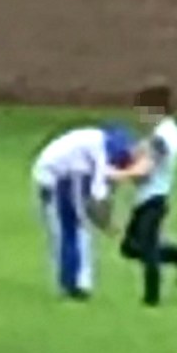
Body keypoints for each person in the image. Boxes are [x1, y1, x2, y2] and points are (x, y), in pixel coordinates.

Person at [113, 82, 177, 307]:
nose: (140, 116)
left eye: (143, 110)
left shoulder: (164, 136)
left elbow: (147, 167)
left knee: (148, 249)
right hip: (145, 198)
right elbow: (142, 151)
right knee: (129, 247)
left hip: (154, 198)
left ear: (156, 109)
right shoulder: (161, 132)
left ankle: (151, 298)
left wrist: (117, 175)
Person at [31, 124, 137, 300]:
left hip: (48, 174)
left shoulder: (94, 140)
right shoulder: (99, 153)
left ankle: (70, 282)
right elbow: (97, 195)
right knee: (77, 230)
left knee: (66, 231)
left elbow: (103, 183)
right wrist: (108, 224)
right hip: (59, 176)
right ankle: (76, 284)